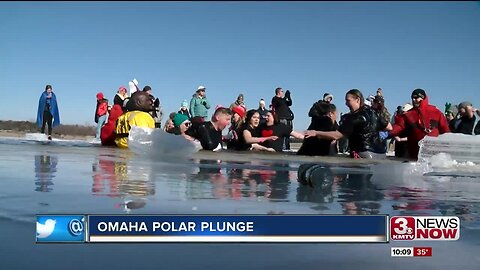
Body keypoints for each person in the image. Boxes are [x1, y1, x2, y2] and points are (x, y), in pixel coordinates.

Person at [305, 89, 392, 159]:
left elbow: (337, 135)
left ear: (357, 100)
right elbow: (389, 127)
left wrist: (316, 133)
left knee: (357, 181)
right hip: (381, 154)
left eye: (348, 100)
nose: (346, 103)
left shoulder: (354, 117)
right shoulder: (374, 112)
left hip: (364, 154)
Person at [389, 88, 450, 160]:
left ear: (423, 98)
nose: (414, 100)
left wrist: (447, 147)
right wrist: (388, 132)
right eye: (412, 98)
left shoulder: (436, 112)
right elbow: (399, 126)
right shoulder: (408, 114)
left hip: (434, 155)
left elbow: (445, 131)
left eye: (416, 97)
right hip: (415, 154)